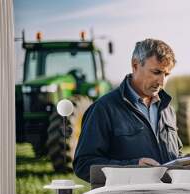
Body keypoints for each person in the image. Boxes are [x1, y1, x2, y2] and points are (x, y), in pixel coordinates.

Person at [73, 38, 182, 182]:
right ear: (135, 65)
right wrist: (132, 168)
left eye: (166, 75)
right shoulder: (103, 109)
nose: (162, 82)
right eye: (156, 72)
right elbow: (83, 165)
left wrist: (184, 163)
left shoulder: (167, 108)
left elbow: (176, 153)